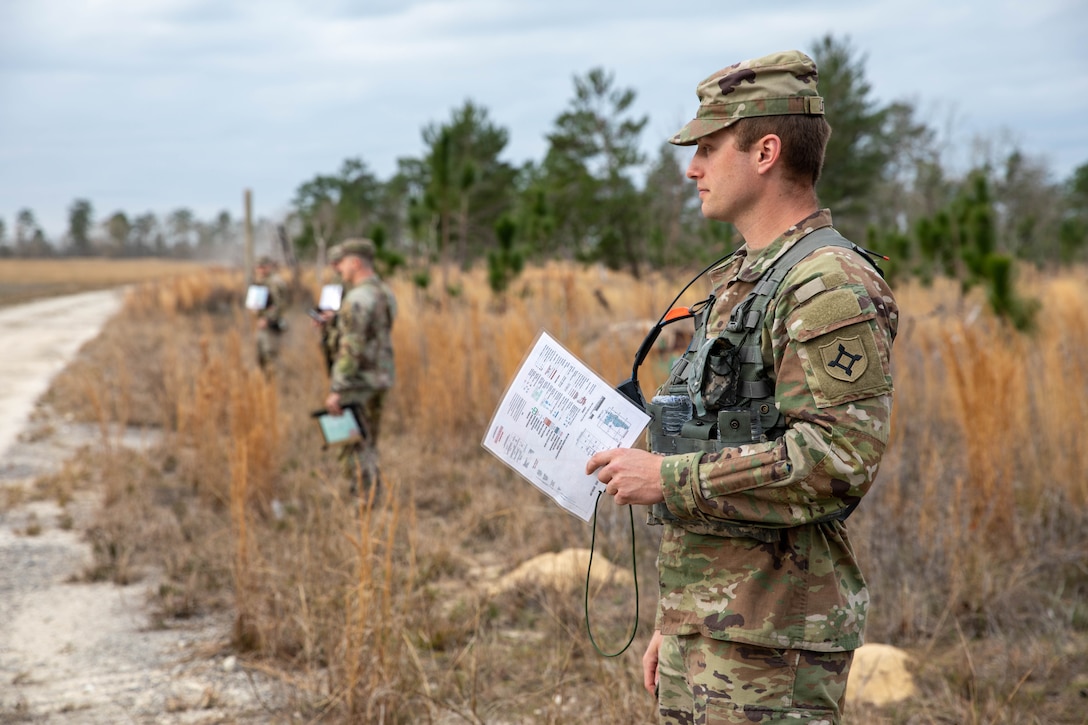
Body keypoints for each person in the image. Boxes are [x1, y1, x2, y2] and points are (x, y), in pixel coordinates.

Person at [585, 50, 898, 724]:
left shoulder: (825, 284)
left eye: (707, 147)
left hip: (773, 644)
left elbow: (836, 459)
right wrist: (684, 616)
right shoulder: (743, 279)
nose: (692, 168)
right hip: (721, 624)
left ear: (765, 151)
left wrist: (668, 477)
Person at [324, 238, 396, 497]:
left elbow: (351, 348)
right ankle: (372, 495)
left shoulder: (356, 299)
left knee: (352, 446)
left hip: (358, 383)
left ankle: (362, 502)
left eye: (341, 263)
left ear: (355, 263)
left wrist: (337, 389)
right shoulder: (385, 293)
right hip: (381, 378)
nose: (338, 269)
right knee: (369, 441)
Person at [252, 256, 290, 374]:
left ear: (269, 267)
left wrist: (267, 318)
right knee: (261, 355)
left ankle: (275, 385)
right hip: (262, 323)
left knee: (270, 355)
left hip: (272, 324)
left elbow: (280, 304)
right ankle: (267, 384)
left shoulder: (275, 282)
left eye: (263, 267)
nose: (260, 270)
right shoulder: (263, 281)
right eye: (258, 267)